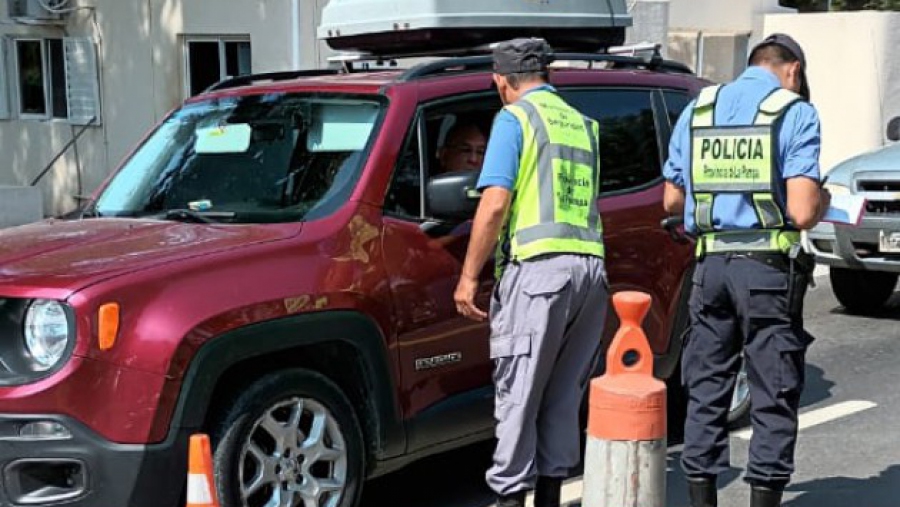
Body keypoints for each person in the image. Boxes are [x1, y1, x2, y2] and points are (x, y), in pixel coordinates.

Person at [662, 34, 831, 507]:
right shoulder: (794, 111)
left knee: (706, 391)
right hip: (765, 275)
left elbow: (672, 201)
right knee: (772, 392)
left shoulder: (700, 107)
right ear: (793, 71)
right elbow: (800, 211)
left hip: (709, 268)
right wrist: (824, 200)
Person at [453, 38, 608, 507]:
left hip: (539, 275)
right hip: (590, 275)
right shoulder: (583, 124)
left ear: (501, 81)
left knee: (518, 403)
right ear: (548, 74)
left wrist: (468, 277)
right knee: (561, 402)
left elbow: (495, 201)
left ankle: (509, 499)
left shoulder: (514, 118)